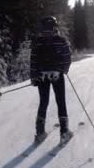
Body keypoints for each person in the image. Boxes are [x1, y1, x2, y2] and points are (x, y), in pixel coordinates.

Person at [30, 16, 72, 144]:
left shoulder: (37, 41)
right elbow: (67, 56)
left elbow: (33, 60)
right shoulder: (61, 40)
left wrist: (34, 76)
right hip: (57, 75)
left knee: (43, 102)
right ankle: (64, 133)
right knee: (61, 102)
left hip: (42, 75)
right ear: (55, 26)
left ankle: (40, 133)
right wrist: (65, 69)